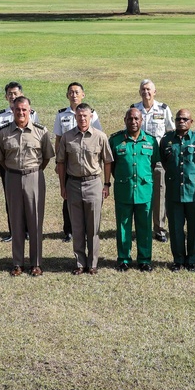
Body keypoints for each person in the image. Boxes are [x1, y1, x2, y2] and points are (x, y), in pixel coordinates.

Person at [0, 96, 53, 276]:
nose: (21, 112)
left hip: (34, 177)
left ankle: (36, 263)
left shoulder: (41, 132)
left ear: (30, 111)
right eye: (17, 109)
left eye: (24, 110)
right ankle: (17, 263)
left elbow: (46, 157)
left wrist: (32, 171)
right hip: (12, 177)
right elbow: (1, 158)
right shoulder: (4, 133)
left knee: (35, 220)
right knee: (16, 221)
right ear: (12, 110)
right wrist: (14, 172)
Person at [56, 103, 113, 275]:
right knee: (77, 226)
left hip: (94, 183)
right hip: (72, 184)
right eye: (79, 116)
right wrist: (62, 186)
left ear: (90, 117)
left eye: (85, 116)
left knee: (93, 226)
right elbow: (61, 162)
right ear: (75, 117)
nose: (82, 118)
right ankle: (80, 262)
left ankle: (93, 263)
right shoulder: (67, 137)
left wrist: (107, 184)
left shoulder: (100, 136)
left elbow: (108, 161)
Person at [109, 107, 160, 272]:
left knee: (144, 226)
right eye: (130, 119)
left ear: (142, 121)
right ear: (125, 120)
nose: (133, 122)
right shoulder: (115, 141)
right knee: (123, 226)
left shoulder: (151, 141)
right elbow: (113, 165)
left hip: (144, 191)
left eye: (136, 119)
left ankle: (144, 259)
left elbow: (152, 164)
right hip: (124, 190)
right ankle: (123, 259)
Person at [160, 108, 195, 271]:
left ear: (191, 122)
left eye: (185, 119)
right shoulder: (167, 139)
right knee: (175, 228)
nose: (181, 121)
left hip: (193, 191)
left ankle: (192, 260)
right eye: (178, 119)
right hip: (174, 191)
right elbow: (165, 161)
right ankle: (178, 259)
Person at [53, 82, 102, 243]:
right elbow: (58, 139)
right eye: (71, 92)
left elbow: (98, 136)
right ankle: (69, 230)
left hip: (86, 160)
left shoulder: (92, 114)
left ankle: (87, 230)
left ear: (83, 95)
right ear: (67, 95)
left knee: (88, 201)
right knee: (68, 196)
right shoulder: (61, 115)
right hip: (68, 160)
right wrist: (57, 161)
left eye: (77, 92)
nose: (74, 95)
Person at [0, 82, 40, 242]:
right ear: (6, 97)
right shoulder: (0, 117)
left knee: (29, 200)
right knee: (11, 200)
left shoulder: (32, 113)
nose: (13, 96)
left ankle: (28, 231)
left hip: (29, 165)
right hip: (9, 165)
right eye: (10, 94)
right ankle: (14, 231)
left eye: (15, 93)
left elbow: (37, 137)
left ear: (21, 94)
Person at [132, 79, 174, 243]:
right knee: (140, 192)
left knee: (159, 192)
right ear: (140, 92)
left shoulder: (163, 109)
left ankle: (159, 228)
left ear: (154, 92)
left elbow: (170, 132)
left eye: (149, 89)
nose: (146, 92)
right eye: (143, 89)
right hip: (140, 159)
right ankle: (142, 227)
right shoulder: (135, 109)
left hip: (158, 158)